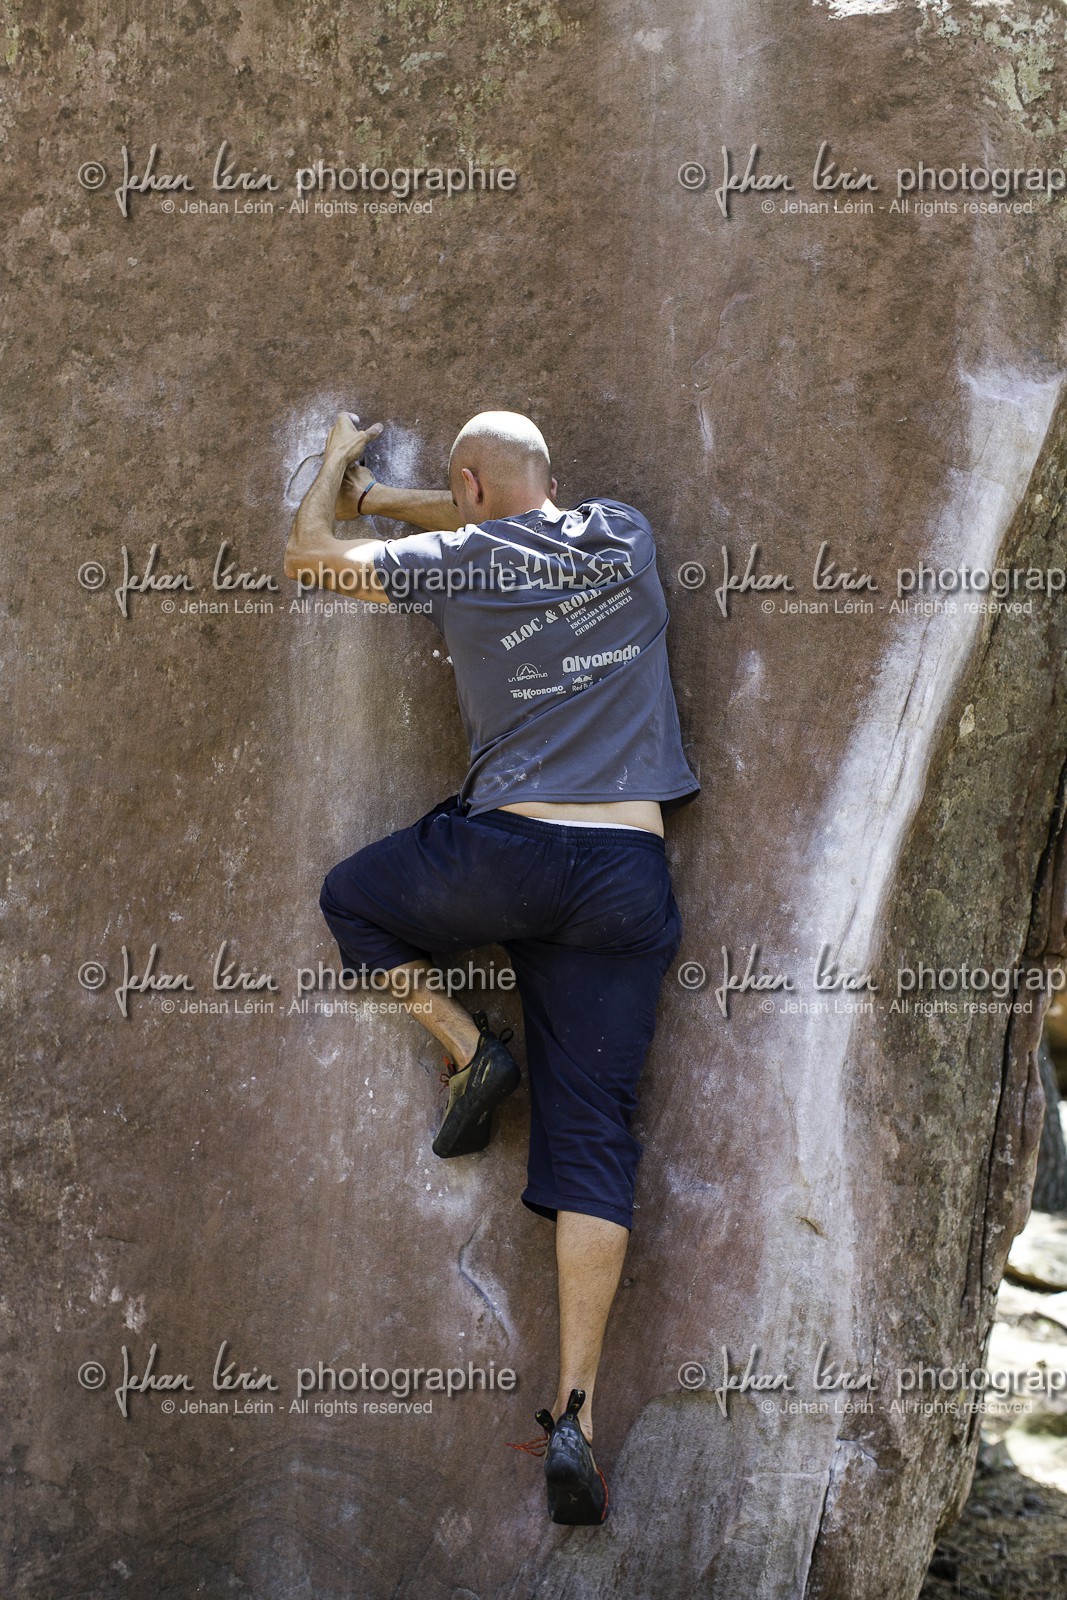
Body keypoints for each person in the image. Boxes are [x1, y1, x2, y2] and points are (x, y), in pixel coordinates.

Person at [285, 409, 699, 1524]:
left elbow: (307, 561)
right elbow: (502, 508)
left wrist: (335, 481)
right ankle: (576, 1418)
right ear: (547, 478)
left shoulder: (460, 560)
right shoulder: (621, 533)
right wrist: (397, 502)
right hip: (626, 875)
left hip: (511, 855)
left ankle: (470, 1048)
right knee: (596, 1142)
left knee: (354, 901)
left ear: (465, 485)